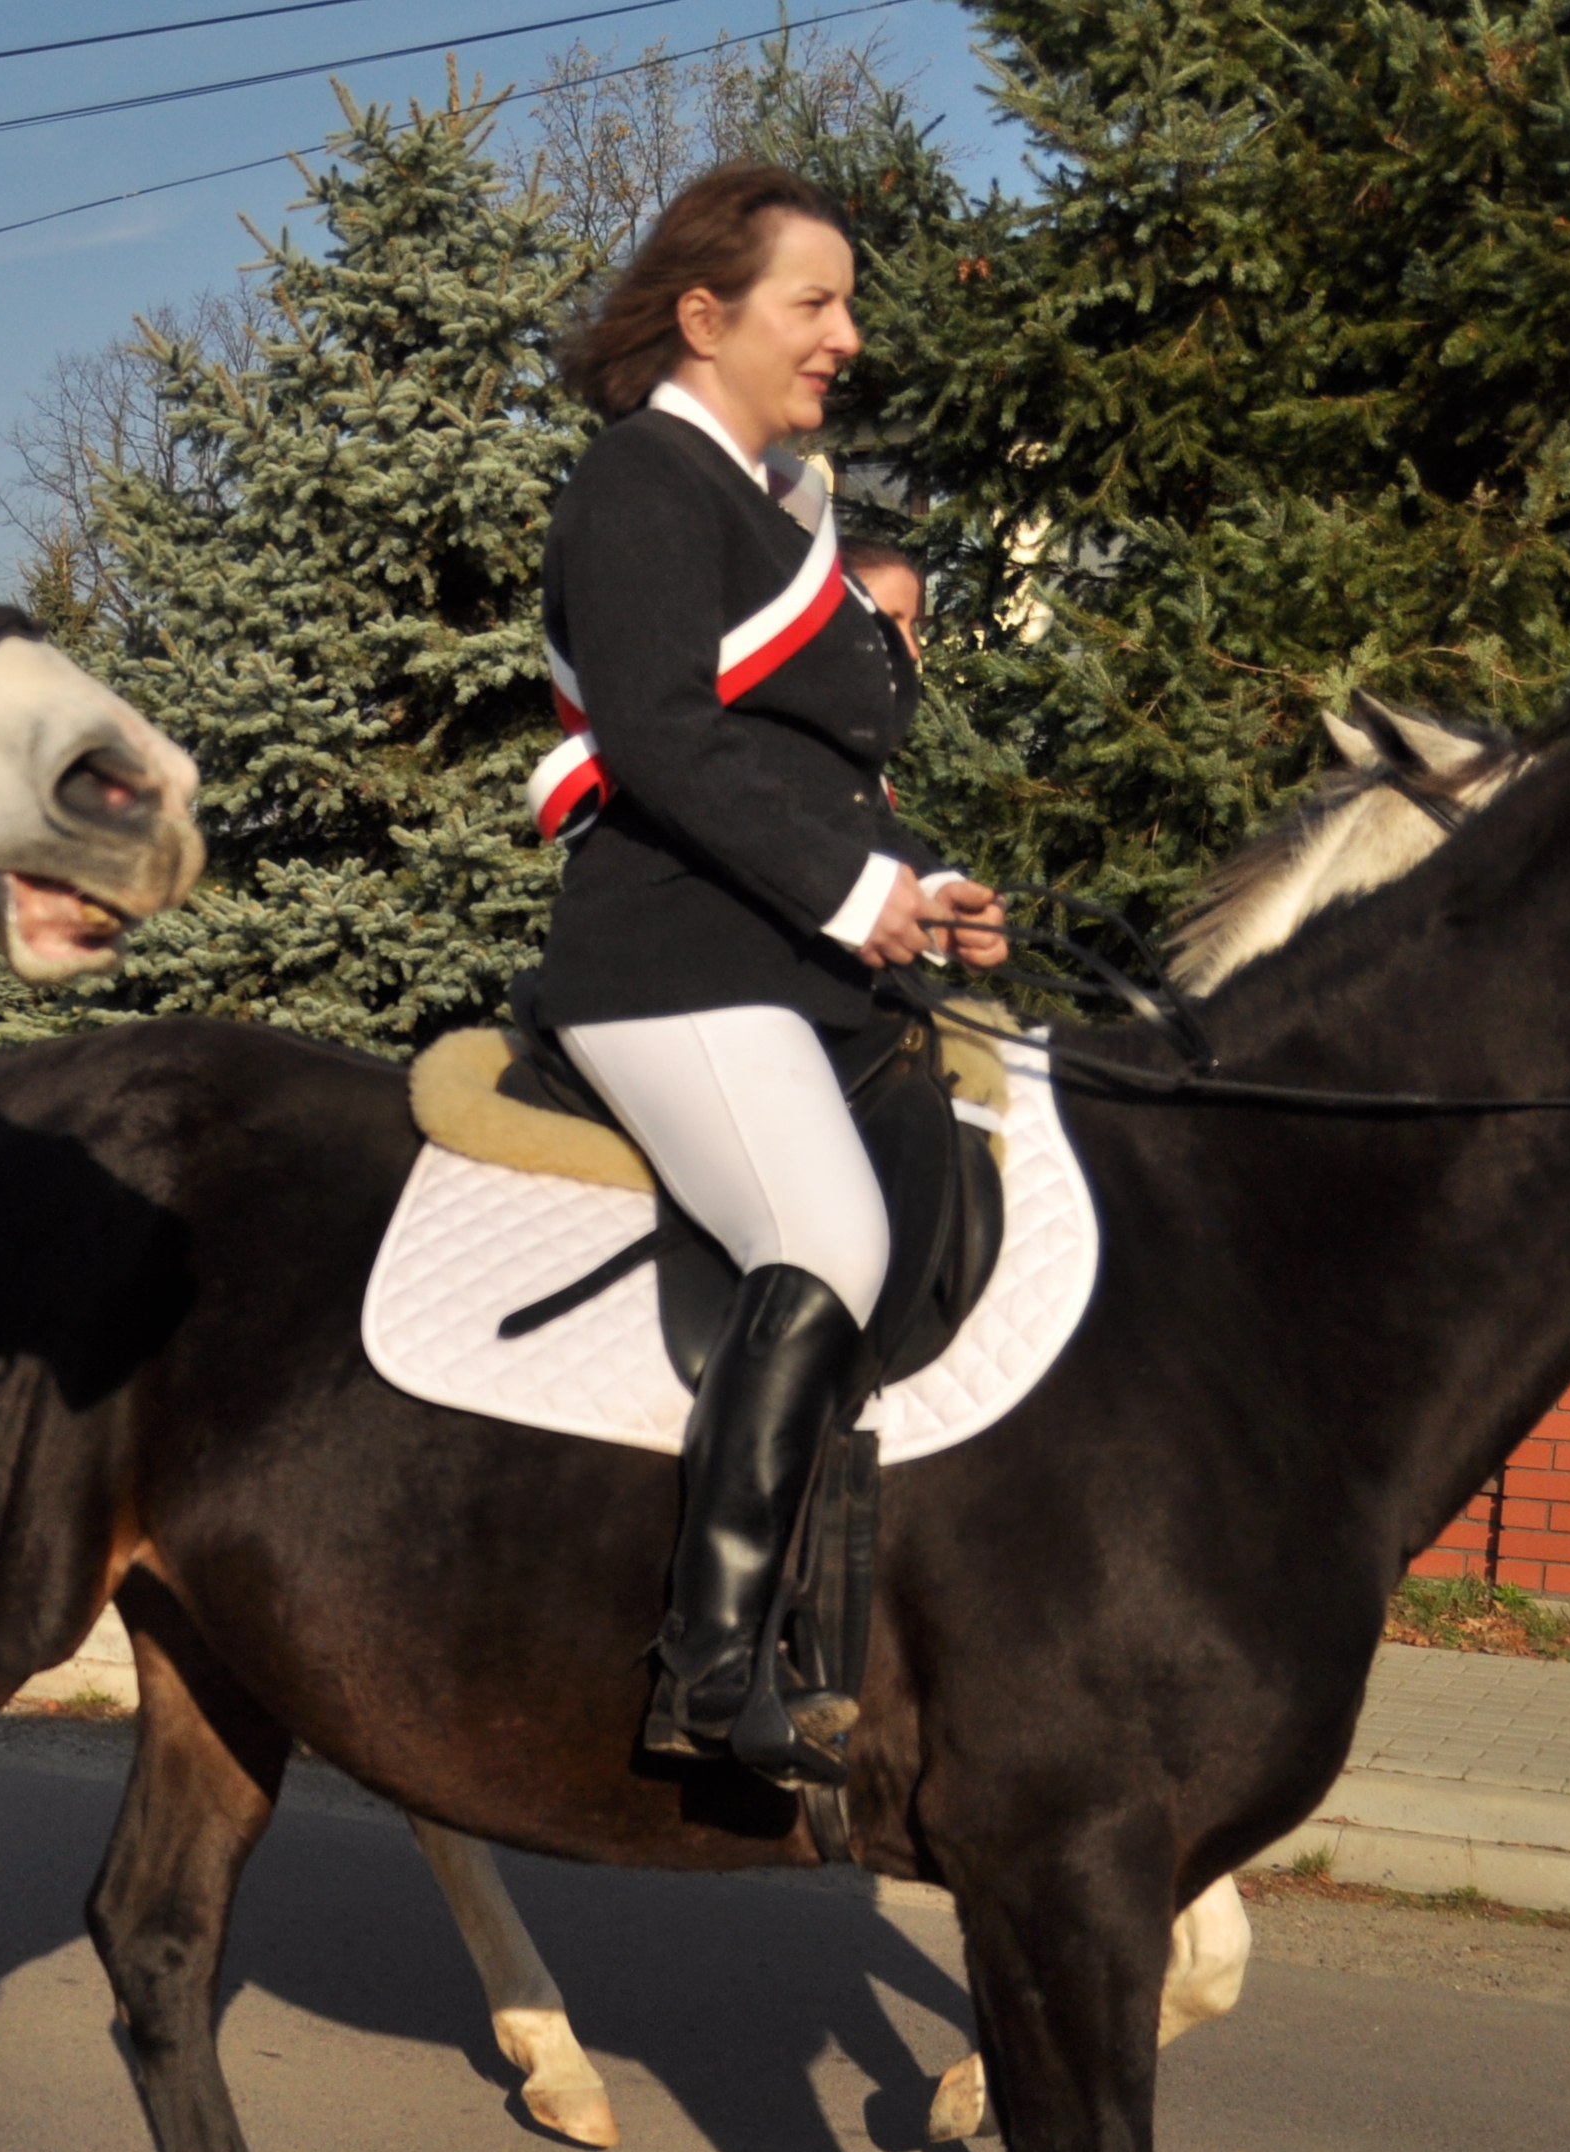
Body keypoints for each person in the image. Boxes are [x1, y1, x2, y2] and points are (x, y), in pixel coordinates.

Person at [516, 162, 1009, 1784]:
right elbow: (657, 736)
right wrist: (843, 881)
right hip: (671, 965)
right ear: (704, 315)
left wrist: (922, 885)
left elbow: (811, 771)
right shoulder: (641, 484)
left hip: (786, 965)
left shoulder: (768, 503)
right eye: (815, 302)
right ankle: (707, 1660)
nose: (845, 336)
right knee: (821, 1233)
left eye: (844, 303)